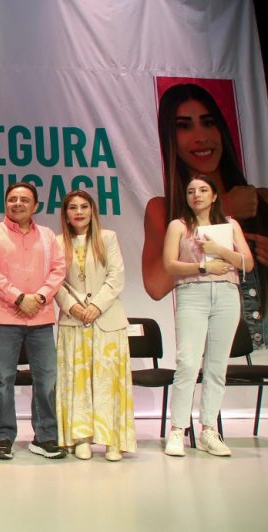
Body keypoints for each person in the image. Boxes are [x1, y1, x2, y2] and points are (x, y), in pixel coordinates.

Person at [143, 82, 268, 350]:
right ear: (170, 137)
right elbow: (155, 286)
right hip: (217, 339)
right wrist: (223, 208)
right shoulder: (162, 210)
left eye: (208, 122)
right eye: (184, 126)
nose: (201, 137)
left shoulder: (260, 200)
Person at [162, 175, 253, 457]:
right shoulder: (178, 226)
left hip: (227, 293)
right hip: (192, 293)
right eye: (191, 191)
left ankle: (209, 430)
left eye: (203, 190)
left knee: (216, 365)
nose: (197, 195)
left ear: (214, 196)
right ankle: (177, 429)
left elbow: (247, 263)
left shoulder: (230, 225)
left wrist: (220, 251)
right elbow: (169, 265)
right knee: (188, 363)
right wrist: (203, 267)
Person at [0, 182, 67, 460]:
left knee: (47, 379)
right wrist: (18, 298)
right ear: (6, 203)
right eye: (12, 199)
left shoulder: (48, 236)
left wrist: (39, 297)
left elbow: (58, 270)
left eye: (24, 200)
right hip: (4, 318)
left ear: (35, 205)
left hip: (41, 318)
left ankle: (45, 436)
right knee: (3, 379)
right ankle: (4, 436)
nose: (17, 203)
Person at [54, 190, 135, 462]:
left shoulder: (108, 238)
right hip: (73, 320)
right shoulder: (57, 242)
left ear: (92, 211)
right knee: (77, 382)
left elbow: (116, 275)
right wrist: (73, 307)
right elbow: (54, 281)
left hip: (106, 318)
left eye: (84, 207)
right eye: (73, 207)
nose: (79, 212)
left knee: (108, 381)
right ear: (65, 214)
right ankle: (81, 438)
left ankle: (112, 440)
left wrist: (96, 306)